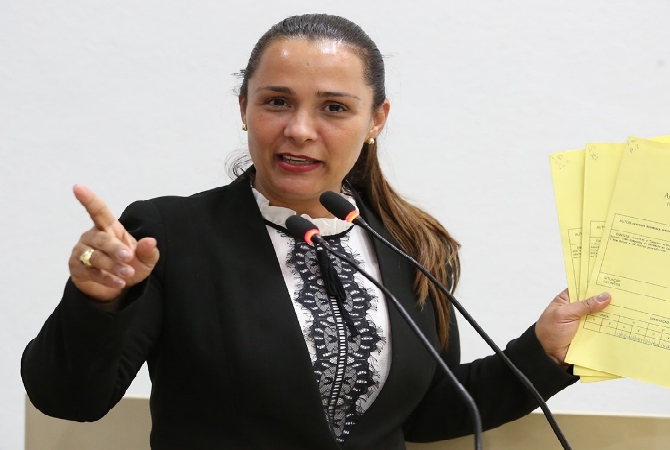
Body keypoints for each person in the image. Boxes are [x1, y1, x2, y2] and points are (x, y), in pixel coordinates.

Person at [21, 13, 611, 450]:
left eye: (334, 107)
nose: (300, 129)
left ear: (376, 119)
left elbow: (428, 414)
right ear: (244, 107)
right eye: (277, 101)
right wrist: (100, 302)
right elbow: (68, 400)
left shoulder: (411, 244)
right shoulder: (169, 233)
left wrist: (542, 352)